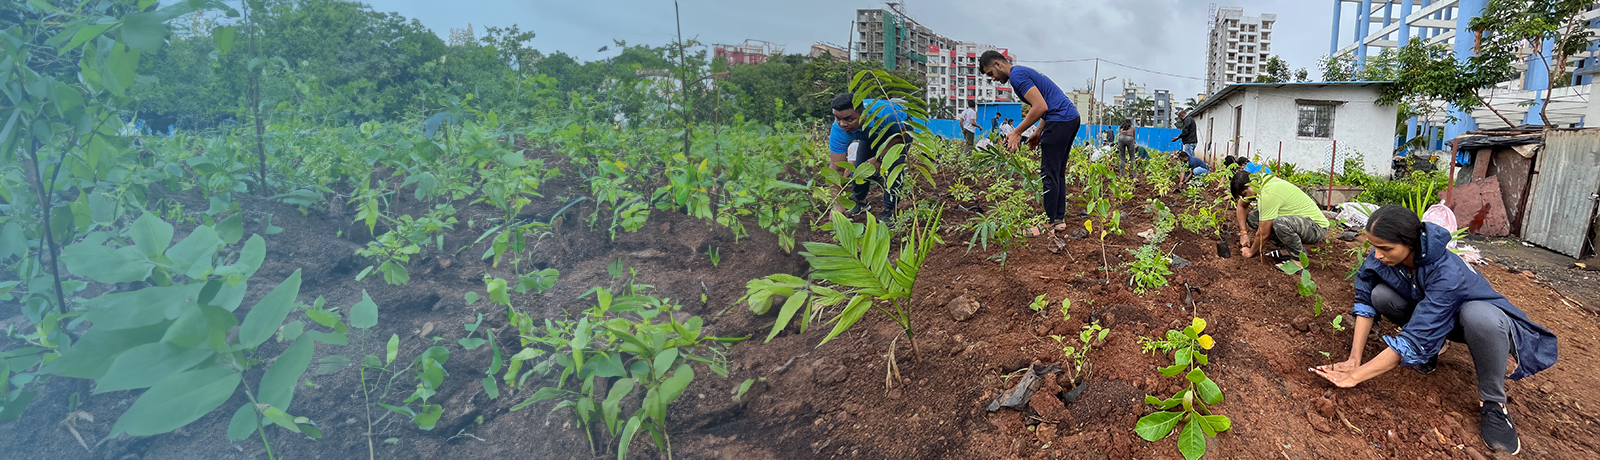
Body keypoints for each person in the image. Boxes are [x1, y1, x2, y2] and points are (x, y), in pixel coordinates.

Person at [1313, 205, 1557, 455]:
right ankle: (1432, 349)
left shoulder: (1447, 271)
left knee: (1479, 317)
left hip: (1474, 325)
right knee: (1380, 295)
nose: (1377, 255)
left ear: (1410, 243)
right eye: (1374, 246)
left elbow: (1415, 336)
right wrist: (1354, 360)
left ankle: (1493, 401)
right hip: (1435, 317)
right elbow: (1365, 301)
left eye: (1385, 249)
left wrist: (1355, 377)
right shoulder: (1383, 258)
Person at [978, 50, 1082, 235]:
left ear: (998, 64)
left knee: (1049, 173)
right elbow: (1045, 105)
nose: (992, 79)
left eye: (990, 74)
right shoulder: (1022, 73)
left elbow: (1040, 106)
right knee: (1057, 172)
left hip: (1059, 120)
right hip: (1069, 118)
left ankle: (1049, 222)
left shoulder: (1017, 76)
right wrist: (1037, 132)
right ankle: (1057, 220)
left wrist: (1017, 132)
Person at [827, 93, 911, 222]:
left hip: (898, 131)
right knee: (860, 169)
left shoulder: (886, 113)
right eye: (838, 118)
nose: (842, 124)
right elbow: (836, 169)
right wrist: (835, 204)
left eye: (849, 119)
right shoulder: (839, 129)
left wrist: (880, 159)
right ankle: (861, 202)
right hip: (868, 134)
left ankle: (890, 210)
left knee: (893, 167)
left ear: (864, 114)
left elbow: (901, 136)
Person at [1230, 170, 1329, 262]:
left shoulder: (1268, 193)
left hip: (1316, 227)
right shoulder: (1258, 183)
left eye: (1245, 194)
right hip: (1297, 221)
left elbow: (1263, 234)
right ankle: (1288, 250)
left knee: (1279, 223)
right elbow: (1241, 206)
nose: (1245, 198)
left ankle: (1298, 261)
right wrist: (1243, 233)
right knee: (1253, 218)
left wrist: (1251, 252)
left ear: (1251, 184)